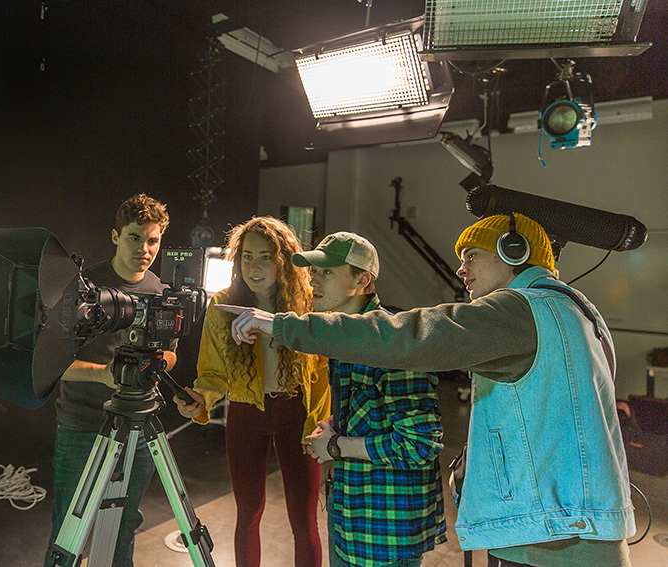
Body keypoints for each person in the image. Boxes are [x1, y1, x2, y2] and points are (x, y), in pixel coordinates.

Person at [218, 213, 635, 567]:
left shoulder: (522, 308)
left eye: (471, 255)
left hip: (554, 538)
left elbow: (411, 339)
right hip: (561, 527)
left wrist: (283, 325)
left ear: (513, 252)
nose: (461, 268)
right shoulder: (574, 309)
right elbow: (546, 410)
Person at [174, 216, 330, 567]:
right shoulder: (223, 305)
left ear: (284, 259)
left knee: (303, 520)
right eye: (247, 256)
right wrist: (202, 398)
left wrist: (321, 422)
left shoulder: (309, 302)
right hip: (246, 412)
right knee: (247, 513)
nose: (254, 266)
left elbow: (322, 371)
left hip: (298, 413)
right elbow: (212, 371)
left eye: (265, 257)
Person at [293, 231, 447, 567]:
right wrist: (334, 425)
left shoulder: (391, 341)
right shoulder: (343, 334)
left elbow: (419, 444)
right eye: (313, 272)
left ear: (363, 280)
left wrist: (336, 446)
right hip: (352, 511)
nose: (314, 282)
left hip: (384, 526)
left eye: (328, 272)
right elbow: (371, 409)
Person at [48, 193, 177, 567]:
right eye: (135, 237)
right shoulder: (85, 286)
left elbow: (170, 352)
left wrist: (156, 364)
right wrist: (105, 375)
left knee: (123, 527)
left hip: (137, 427)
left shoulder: (161, 291)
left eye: (153, 240)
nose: (145, 248)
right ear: (116, 236)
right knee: (68, 533)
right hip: (83, 425)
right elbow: (54, 362)